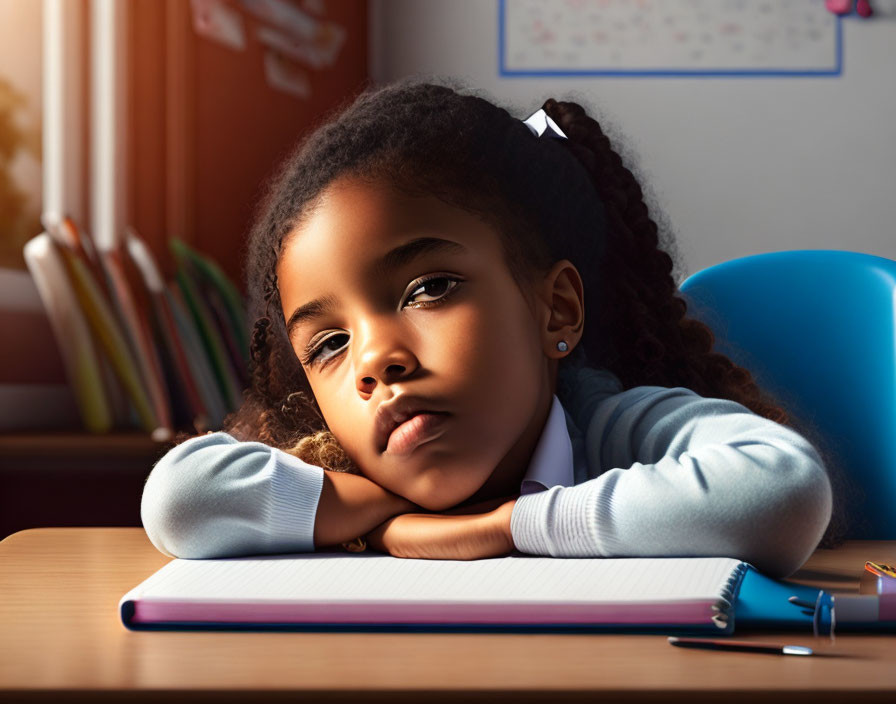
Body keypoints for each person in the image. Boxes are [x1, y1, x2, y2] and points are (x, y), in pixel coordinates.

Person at [141, 79, 840, 578]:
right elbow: (180, 497)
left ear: (554, 310)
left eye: (430, 288)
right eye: (329, 343)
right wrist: (385, 518)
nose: (375, 361)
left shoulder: (609, 425)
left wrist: (503, 527)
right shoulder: (340, 464)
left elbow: (780, 491)